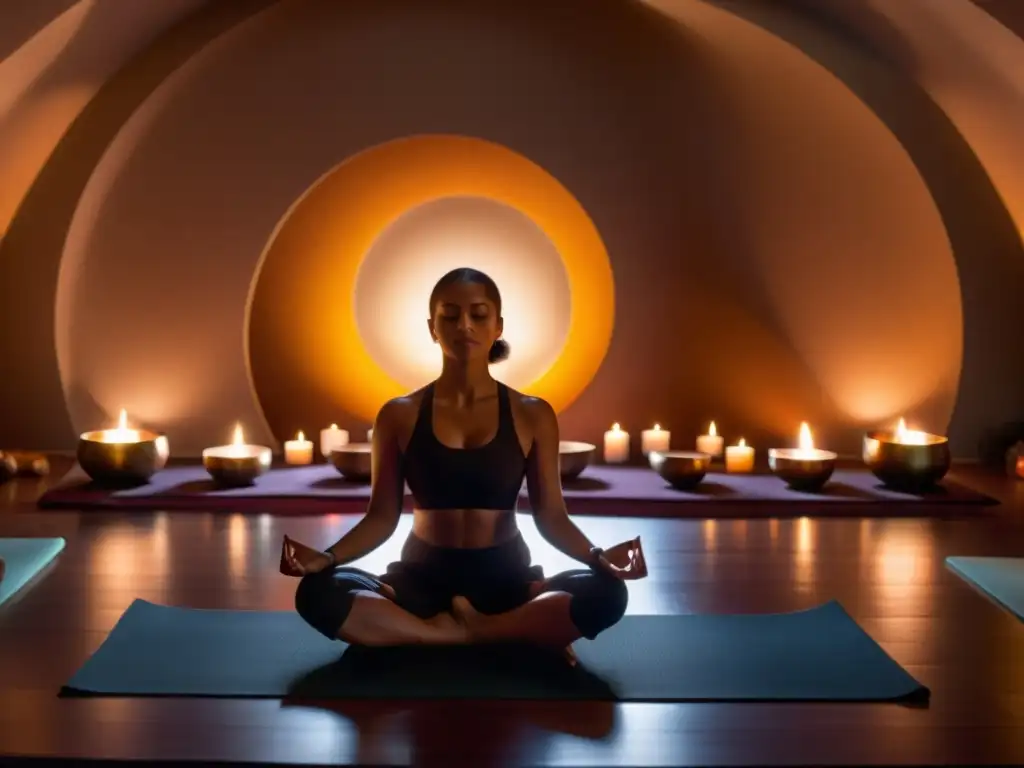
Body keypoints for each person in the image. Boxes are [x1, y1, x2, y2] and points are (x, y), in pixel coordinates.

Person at [281, 267, 647, 657]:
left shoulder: (532, 413)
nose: (464, 325)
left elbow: (552, 517)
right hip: (421, 578)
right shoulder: (398, 415)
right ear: (432, 327)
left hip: (507, 579)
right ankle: (478, 634)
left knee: (608, 593)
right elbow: (381, 517)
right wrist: (328, 558)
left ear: (498, 325)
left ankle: (434, 633)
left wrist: (597, 557)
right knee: (317, 593)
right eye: (450, 315)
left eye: (478, 313)